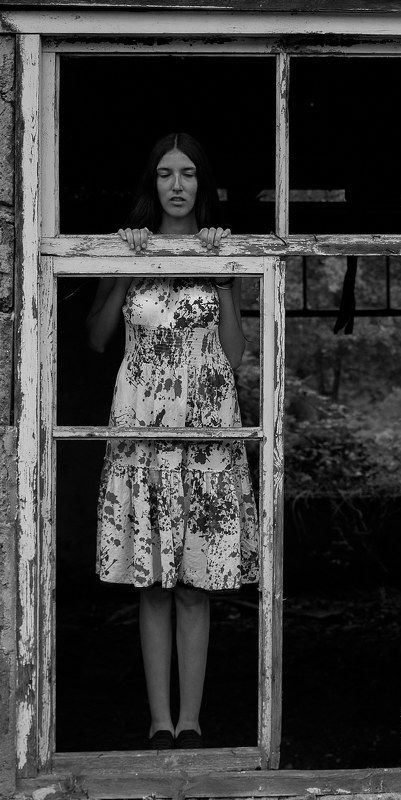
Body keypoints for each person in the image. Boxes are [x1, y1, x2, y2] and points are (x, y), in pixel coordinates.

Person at [86, 132, 259, 751]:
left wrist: (224, 276)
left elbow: (234, 357)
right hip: (143, 431)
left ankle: (191, 721)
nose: (177, 185)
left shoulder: (220, 249)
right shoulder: (129, 247)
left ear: (201, 183)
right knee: (152, 584)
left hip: (206, 432)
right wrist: (125, 264)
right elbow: (98, 338)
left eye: (188, 174)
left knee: (192, 585)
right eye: (166, 174)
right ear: (152, 183)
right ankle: (159, 720)